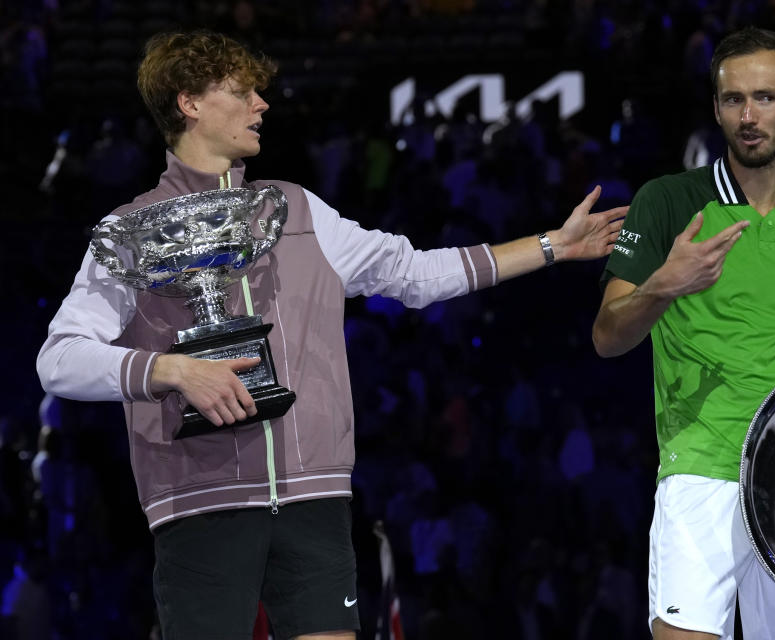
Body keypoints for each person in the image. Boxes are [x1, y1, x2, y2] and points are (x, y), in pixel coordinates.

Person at [36, 30, 626, 640]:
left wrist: (555, 245)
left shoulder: (297, 211)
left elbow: (415, 272)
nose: (262, 104)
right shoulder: (129, 231)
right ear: (189, 103)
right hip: (197, 502)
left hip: (313, 497)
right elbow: (59, 361)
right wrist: (174, 371)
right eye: (241, 92)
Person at [592, 26, 775, 640]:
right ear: (716, 108)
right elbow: (607, 335)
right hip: (699, 474)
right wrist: (665, 283)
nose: (749, 115)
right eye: (734, 100)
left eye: (765, 98)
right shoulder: (669, 203)